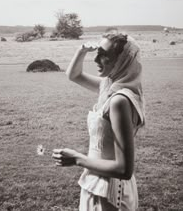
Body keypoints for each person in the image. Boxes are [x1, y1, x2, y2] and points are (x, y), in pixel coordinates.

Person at [52, 33, 145, 211]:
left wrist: (77, 159)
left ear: (122, 61)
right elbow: (74, 75)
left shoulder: (119, 100)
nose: (95, 59)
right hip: (97, 183)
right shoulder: (109, 86)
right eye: (97, 52)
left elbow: (124, 169)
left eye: (103, 55)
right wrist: (81, 51)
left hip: (110, 193)